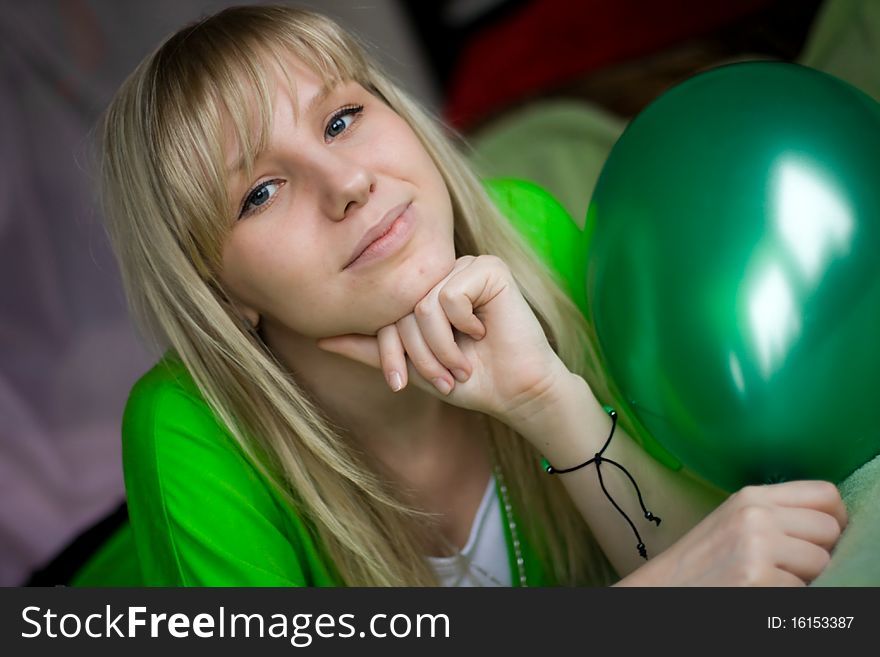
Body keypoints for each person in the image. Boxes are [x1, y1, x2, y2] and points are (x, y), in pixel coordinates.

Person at [98, 4, 847, 587]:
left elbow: (722, 570)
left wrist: (547, 399)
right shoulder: (187, 432)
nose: (349, 183)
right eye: (261, 192)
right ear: (220, 292)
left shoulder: (528, 232)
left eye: (342, 119)